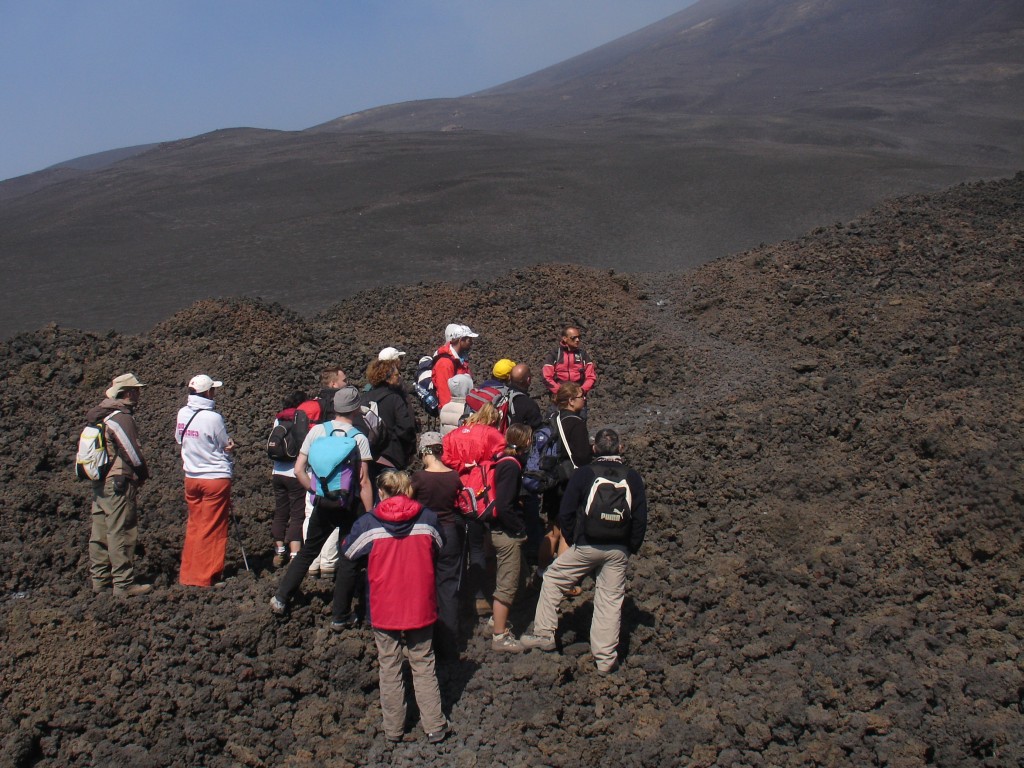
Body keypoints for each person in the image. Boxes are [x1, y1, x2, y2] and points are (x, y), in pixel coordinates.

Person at [521, 429, 648, 673]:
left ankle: (545, 635)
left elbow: (566, 511)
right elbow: (640, 518)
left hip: (587, 543)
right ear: (620, 449)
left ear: (594, 449)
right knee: (609, 601)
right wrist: (629, 547)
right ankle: (605, 659)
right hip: (618, 549)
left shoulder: (585, 474)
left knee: (553, 578)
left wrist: (575, 539)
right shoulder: (632, 477)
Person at [339, 471, 449, 744]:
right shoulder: (427, 519)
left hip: (384, 604)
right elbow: (440, 547)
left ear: (382, 493)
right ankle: (434, 724)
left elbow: (349, 553)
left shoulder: (369, 523)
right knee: (423, 662)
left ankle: (393, 728)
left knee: (389, 664)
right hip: (419, 601)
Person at [270, 386, 374, 627]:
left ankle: (281, 597)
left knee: (308, 552)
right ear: (356, 409)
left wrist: (316, 491)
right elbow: (364, 481)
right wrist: (370, 515)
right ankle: (340, 616)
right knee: (348, 559)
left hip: (324, 502)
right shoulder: (359, 438)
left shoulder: (317, 431)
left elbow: (298, 470)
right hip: (350, 505)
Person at [86, 373, 152, 597]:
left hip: (100, 481)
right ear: (128, 393)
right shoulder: (121, 417)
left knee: (100, 531)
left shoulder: (100, 415)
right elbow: (131, 452)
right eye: (135, 390)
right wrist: (143, 474)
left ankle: (100, 580)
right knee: (121, 531)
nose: (138, 394)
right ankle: (123, 584)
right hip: (119, 482)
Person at [442, 403, 506, 617]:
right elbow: (501, 452)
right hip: (479, 494)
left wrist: (461, 465)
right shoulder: (490, 433)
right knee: (477, 547)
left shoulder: (453, 434)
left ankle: (456, 596)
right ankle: (478, 597)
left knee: (457, 548)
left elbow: (445, 458)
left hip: (456, 493)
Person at [175, 374, 235, 587]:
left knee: (195, 525)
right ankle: (205, 577)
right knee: (213, 528)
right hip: (214, 478)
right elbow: (223, 443)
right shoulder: (213, 418)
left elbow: (178, 438)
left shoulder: (182, 413)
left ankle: (188, 574)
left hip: (191, 477)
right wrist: (230, 446)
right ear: (208, 392)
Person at [411, 432, 464, 660]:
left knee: (422, 586)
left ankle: (422, 641)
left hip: (423, 535)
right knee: (448, 588)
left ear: (424, 451)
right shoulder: (454, 477)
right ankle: (449, 645)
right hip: (449, 533)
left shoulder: (419, 478)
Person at [297, 366, 348, 579]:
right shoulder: (341, 404)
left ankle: (312, 561)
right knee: (336, 511)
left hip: (312, 465)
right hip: (337, 467)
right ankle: (328, 562)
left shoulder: (313, 405)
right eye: (344, 380)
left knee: (311, 513)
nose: (347, 383)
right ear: (334, 384)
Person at [538, 382, 591, 573]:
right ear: (570, 401)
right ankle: (562, 580)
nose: (584, 400)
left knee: (552, 531)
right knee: (568, 534)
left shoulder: (552, 419)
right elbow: (583, 457)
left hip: (553, 479)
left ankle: (541, 572)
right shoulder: (576, 423)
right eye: (581, 397)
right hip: (569, 483)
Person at [489, 423, 533, 653]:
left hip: (500, 530)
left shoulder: (503, 461)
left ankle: (497, 620)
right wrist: (519, 529)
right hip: (506, 533)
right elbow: (505, 505)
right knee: (507, 585)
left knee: (517, 579)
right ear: (526, 442)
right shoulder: (511, 466)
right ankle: (499, 635)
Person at [270, 390, 308, 568]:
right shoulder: (300, 419)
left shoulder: (278, 420)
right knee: (297, 513)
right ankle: (294, 554)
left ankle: (279, 551)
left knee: (280, 512)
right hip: (295, 473)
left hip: (277, 472)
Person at [361, 358, 416, 470]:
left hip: (368, 456)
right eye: (396, 374)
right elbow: (405, 427)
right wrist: (409, 449)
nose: (399, 376)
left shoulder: (364, 398)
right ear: (387, 378)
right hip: (391, 456)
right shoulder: (395, 398)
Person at [541, 326, 597, 406]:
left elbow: (591, 377)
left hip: (578, 398)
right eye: (573, 338)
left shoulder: (583, 355)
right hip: (559, 398)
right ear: (565, 338)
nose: (577, 340)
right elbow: (546, 377)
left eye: (579, 337)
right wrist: (560, 392)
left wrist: (581, 391)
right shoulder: (555, 354)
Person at [432, 323, 477, 409]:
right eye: (469, 340)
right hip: (452, 413)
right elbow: (444, 393)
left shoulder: (460, 360)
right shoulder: (445, 363)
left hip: (461, 409)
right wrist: (452, 413)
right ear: (461, 340)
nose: (471, 343)